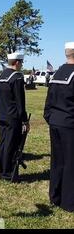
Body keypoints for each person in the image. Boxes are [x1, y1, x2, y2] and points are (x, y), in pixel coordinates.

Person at [44, 42, 74, 212]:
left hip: (56, 121)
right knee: (70, 162)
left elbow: (48, 102)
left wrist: (51, 118)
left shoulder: (57, 73)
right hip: (69, 123)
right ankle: (69, 201)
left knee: (57, 161)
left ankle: (55, 196)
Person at [0, 52, 29, 181]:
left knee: (3, 143)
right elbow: (20, 102)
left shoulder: (1, 76)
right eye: (22, 63)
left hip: (2, 114)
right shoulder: (17, 77)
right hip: (13, 116)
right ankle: (8, 172)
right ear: (17, 62)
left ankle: (1, 170)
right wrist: (24, 120)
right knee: (11, 145)